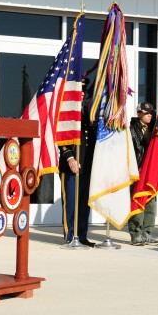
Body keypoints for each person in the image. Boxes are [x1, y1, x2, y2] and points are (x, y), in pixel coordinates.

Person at [59, 77, 96, 247]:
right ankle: (70, 236)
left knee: (84, 203)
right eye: (78, 91)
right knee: (71, 203)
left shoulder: (89, 113)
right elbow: (61, 139)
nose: (81, 94)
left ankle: (82, 235)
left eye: (83, 92)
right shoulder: (66, 112)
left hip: (87, 165)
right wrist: (70, 157)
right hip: (72, 165)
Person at [127, 102, 158, 246]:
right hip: (138, 170)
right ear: (139, 114)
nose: (149, 116)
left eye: (151, 113)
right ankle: (135, 233)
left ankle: (147, 232)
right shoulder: (131, 129)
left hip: (151, 171)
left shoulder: (154, 129)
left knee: (151, 202)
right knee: (137, 201)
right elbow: (133, 151)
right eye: (146, 113)